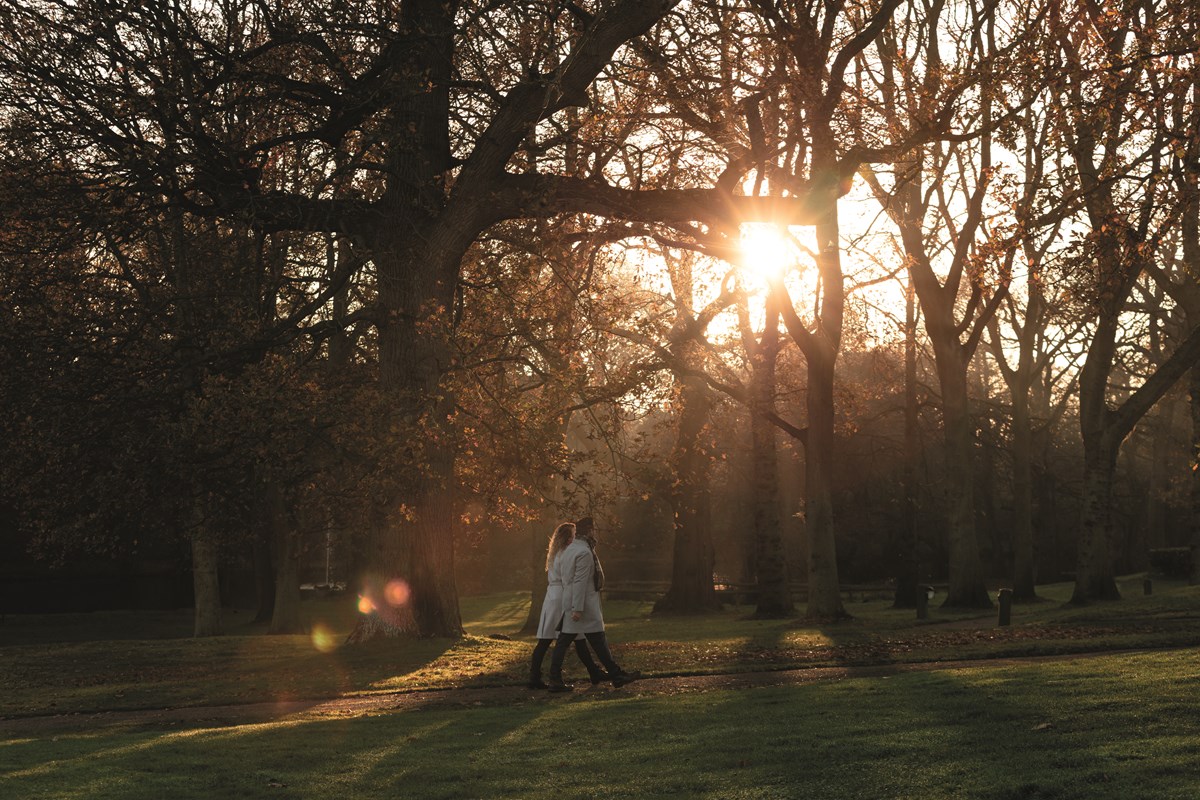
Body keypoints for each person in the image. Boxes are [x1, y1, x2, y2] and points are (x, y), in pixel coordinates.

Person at [547, 516, 640, 691]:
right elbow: (579, 582)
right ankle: (615, 675)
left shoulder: (570, 549)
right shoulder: (583, 552)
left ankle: (614, 674)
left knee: (569, 640)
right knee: (592, 639)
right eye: (593, 530)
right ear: (589, 531)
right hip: (583, 604)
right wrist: (578, 608)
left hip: (573, 601)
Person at [528, 522, 607, 690]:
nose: (574, 539)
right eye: (572, 535)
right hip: (562, 596)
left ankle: (535, 676)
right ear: (566, 538)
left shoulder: (554, 554)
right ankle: (556, 677)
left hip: (552, 596)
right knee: (574, 638)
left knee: (551, 639)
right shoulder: (566, 553)